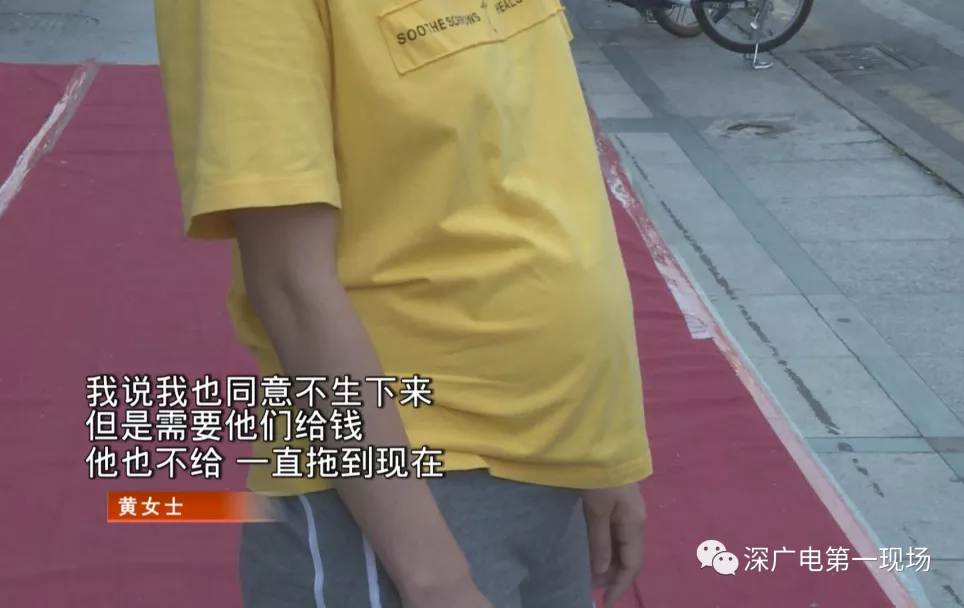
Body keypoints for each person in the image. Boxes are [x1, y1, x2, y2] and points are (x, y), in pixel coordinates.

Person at [153, 1, 652, 606]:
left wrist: (605, 448)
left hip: (560, 462)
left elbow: (534, 150)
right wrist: (432, 575)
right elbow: (289, 283)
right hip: (411, 490)